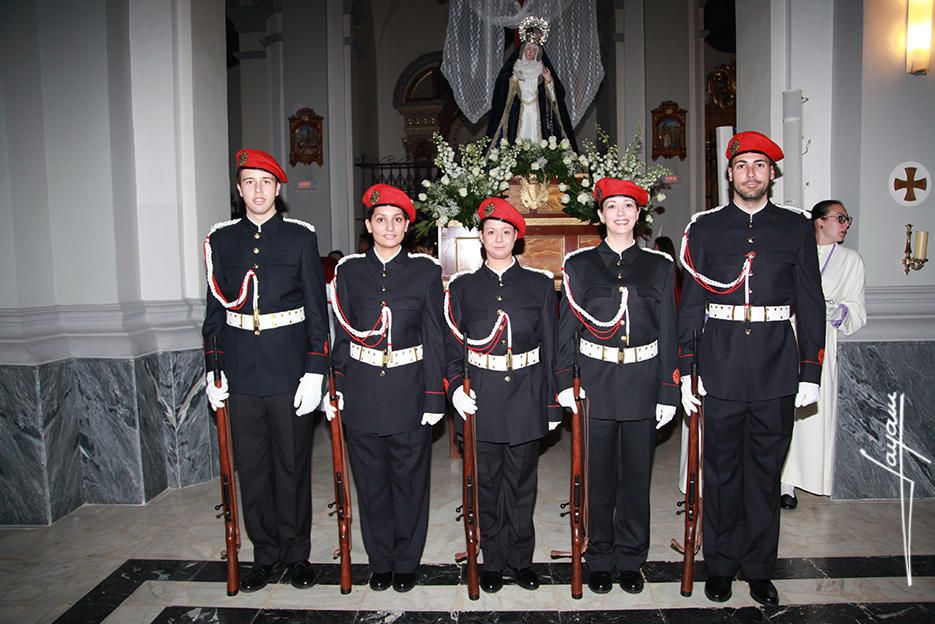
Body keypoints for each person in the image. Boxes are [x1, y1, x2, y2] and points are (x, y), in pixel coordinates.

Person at [677, 131, 825, 607]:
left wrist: (809, 373)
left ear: (772, 174)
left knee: (764, 474)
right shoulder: (704, 229)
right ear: (729, 173)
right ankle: (719, 566)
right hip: (718, 365)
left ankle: (760, 569)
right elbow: (692, 305)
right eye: (743, 165)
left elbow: (811, 303)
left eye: (760, 165)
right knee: (719, 472)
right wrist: (687, 370)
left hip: (775, 367)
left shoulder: (796, 228)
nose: (751, 174)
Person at [202, 148, 329, 592]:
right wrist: (213, 370)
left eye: (266, 182)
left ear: (279, 189)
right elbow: (215, 313)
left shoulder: (299, 238)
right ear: (239, 190)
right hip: (240, 371)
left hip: (289, 369)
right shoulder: (221, 241)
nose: (258, 191)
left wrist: (316, 371)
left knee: (292, 466)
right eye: (249, 183)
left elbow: (317, 311)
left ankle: (297, 554)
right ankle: (265, 553)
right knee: (252, 468)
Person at [556, 178, 679, 595]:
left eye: (628, 206)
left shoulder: (660, 267)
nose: (621, 214)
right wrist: (563, 382)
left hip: (643, 383)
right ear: (601, 215)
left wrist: (668, 391)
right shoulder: (580, 265)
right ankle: (600, 556)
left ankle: (631, 558)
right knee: (597, 477)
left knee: (636, 477)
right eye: (613, 207)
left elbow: (669, 332)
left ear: (639, 214)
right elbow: (566, 330)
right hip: (596, 385)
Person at [324, 183, 446, 593]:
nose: (389, 227)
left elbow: (434, 336)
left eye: (397, 220)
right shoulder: (349, 272)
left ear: (407, 226)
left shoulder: (426, 272)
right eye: (381, 220)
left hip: (410, 389)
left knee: (410, 481)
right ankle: (380, 560)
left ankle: (407, 559)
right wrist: (336, 383)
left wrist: (434, 395)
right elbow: (341, 334)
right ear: (368, 224)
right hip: (361, 390)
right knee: (371, 481)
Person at [445, 198, 561, 594]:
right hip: (480, 398)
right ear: (480, 237)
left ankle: (521, 559)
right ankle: (492, 559)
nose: (498, 239)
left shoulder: (539, 284)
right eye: (491, 231)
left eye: (506, 232)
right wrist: (455, 388)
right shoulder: (461, 288)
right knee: (487, 485)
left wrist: (551, 404)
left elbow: (551, 347)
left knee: (522, 484)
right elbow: (452, 347)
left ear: (517, 239)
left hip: (527, 396)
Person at [780, 200, 866, 508]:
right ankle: (780, 481)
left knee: (809, 414)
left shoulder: (850, 260)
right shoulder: (795, 252)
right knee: (782, 410)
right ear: (819, 222)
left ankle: (802, 479)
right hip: (787, 333)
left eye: (847, 219)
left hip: (821, 339)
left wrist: (834, 309)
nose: (845, 224)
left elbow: (856, 310)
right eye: (840, 218)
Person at [486, 16, 577, 152]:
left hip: (537, 109)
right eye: (529, 49)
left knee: (538, 137)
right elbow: (501, 90)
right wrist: (513, 80)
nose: (531, 53)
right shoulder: (514, 67)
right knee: (517, 137)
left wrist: (548, 81)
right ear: (523, 50)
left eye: (534, 50)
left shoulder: (542, 69)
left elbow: (557, 95)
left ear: (538, 52)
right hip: (518, 110)